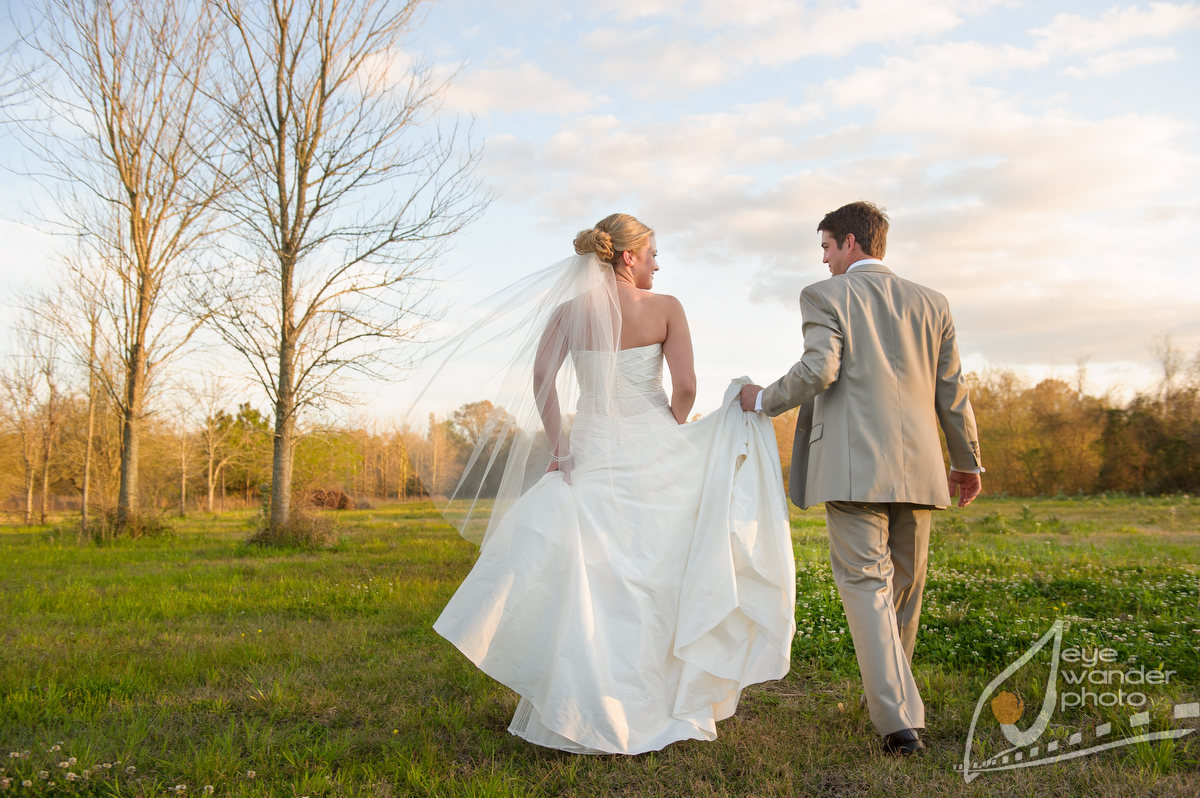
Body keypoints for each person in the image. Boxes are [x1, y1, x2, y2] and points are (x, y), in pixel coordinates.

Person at [431, 213, 796, 755]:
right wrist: (671, 435)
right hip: (653, 441)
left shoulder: (568, 312)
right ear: (628, 257)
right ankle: (659, 699)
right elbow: (688, 388)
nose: (657, 263)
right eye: (652, 252)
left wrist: (560, 450)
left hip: (594, 447)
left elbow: (541, 380)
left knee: (598, 578)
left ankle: (585, 702)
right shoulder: (666, 308)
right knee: (660, 569)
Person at [740, 201, 983, 756]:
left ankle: (897, 722)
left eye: (826, 247)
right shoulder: (933, 302)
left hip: (850, 470)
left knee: (868, 589)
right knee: (902, 591)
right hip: (920, 470)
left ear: (851, 243)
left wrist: (762, 400)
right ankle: (895, 707)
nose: (824, 261)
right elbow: (953, 389)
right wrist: (967, 461)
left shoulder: (824, 296)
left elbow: (819, 368)